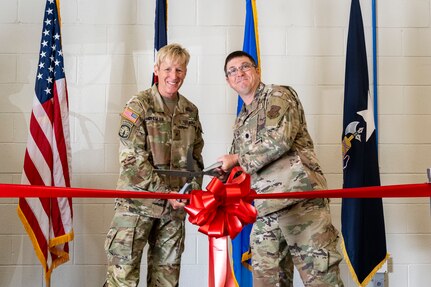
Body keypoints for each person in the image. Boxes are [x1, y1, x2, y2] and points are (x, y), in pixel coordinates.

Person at [217, 51, 344, 287]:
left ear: (257, 70)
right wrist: (224, 174)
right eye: (232, 71)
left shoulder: (278, 95)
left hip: (301, 201)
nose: (239, 73)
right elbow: (242, 165)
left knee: (321, 280)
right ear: (228, 81)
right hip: (266, 208)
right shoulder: (241, 119)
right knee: (267, 282)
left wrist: (235, 159)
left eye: (245, 67)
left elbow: (279, 140)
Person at [104, 43, 204, 287]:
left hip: (173, 210)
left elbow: (197, 157)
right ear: (156, 69)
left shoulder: (189, 111)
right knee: (122, 280)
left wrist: (189, 192)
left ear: (186, 72)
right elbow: (132, 159)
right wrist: (165, 193)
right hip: (136, 206)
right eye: (168, 69)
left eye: (179, 70)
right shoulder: (139, 105)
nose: (174, 76)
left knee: (166, 282)